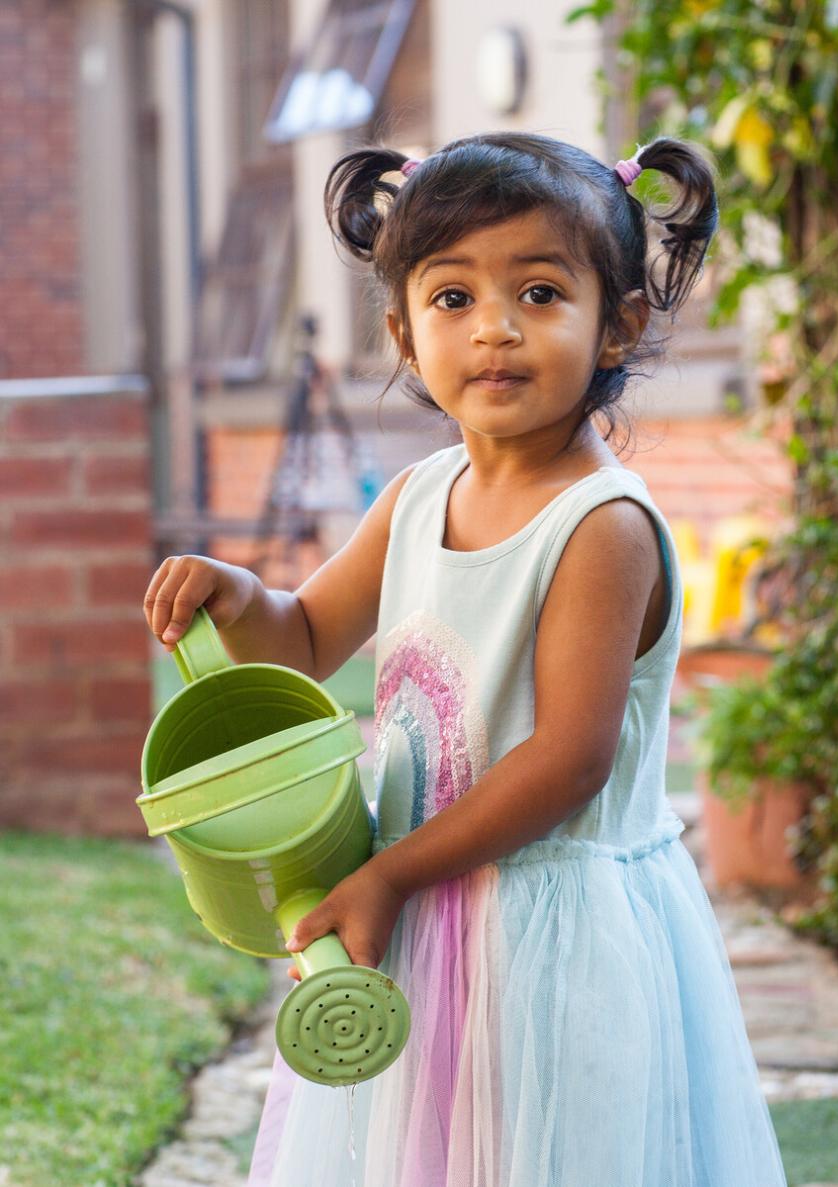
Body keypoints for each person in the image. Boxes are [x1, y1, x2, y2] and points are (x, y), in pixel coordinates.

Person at [143, 132, 788, 1187]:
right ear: (403, 330)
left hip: (549, 932)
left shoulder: (599, 526)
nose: (495, 327)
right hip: (427, 913)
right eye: (453, 299)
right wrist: (241, 597)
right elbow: (306, 638)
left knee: (542, 1154)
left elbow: (568, 759)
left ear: (617, 321)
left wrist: (389, 870)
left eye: (539, 291)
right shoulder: (416, 497)